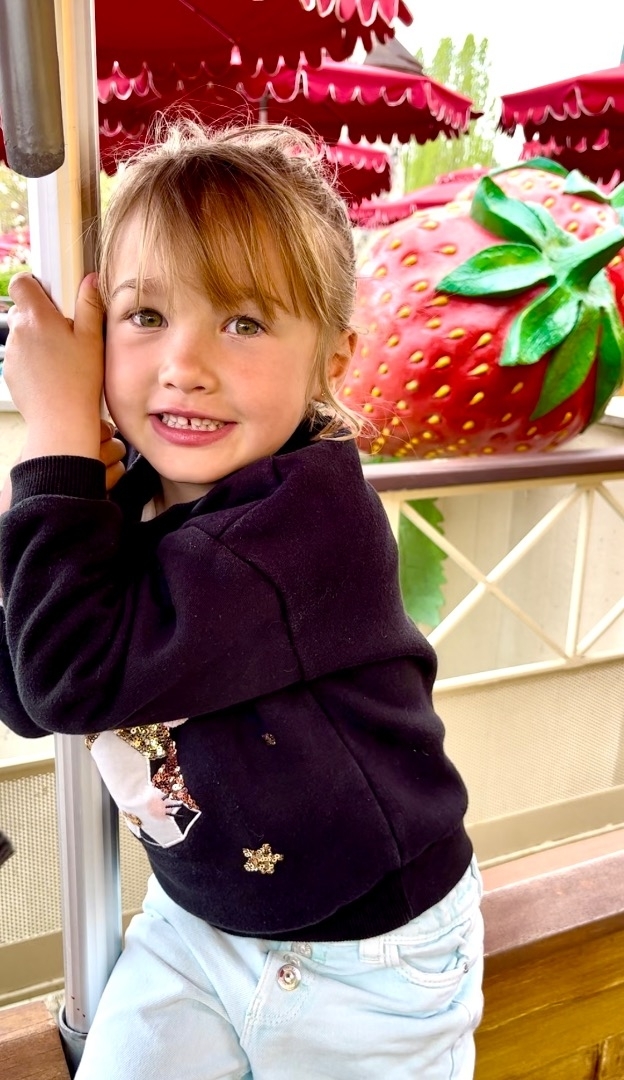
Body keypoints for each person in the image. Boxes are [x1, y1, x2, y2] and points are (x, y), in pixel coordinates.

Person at [0, 123, 483, 1080]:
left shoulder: (303, 523)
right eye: (145, 315)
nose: (185, 363)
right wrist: (70, 497)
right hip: (198, 923)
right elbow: (26, 687)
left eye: (245, 323)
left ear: (333, 360)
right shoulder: (131, 497)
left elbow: (64, 681)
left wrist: (52, 445)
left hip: (368, 960)